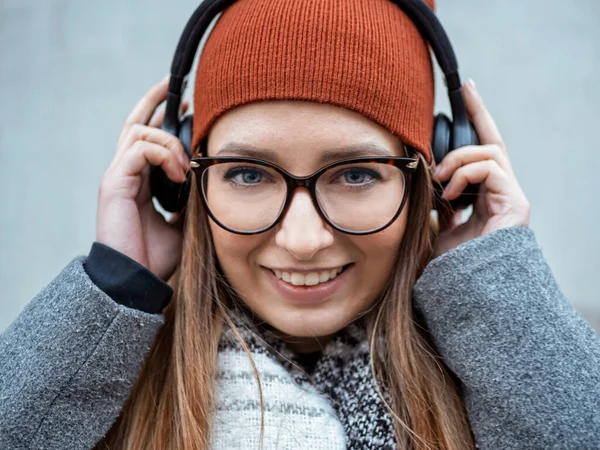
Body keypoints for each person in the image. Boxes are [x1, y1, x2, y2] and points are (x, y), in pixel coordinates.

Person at [1, 0, 599, 449]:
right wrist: (114, 286)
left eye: (358, 174)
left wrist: (496, 293)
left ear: (434, 179)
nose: (303, 239)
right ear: (182, 177)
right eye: (249, 174)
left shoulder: (503, 360)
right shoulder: (102, 373)